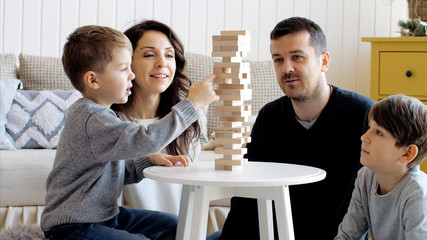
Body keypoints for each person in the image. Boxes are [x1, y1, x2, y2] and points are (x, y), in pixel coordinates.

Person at [40, 25, 219, 240]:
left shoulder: (101, 114)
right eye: (124, 69)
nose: (131, 76)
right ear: (93, 80)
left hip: (105, 217)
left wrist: (148, 161)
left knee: (175, 226)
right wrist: (192, 104)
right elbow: (145, 139)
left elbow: (110, 171)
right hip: (73, 226)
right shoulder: (91, 117)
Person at [219, 17, 375, 240]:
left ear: (324, 61)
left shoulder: (362, 115)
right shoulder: (268, 118)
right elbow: (247, 198)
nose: (287, 68)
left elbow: (377, 200)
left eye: (297, 57)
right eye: (278, 60)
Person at [111, 20, 203, 215]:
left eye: (169, 55)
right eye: (150, 55)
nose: (162, 63)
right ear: (127, 62)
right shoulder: (110, 121)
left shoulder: (189, 120)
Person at [335, 94, 427, 240]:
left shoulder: (418, 195)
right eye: (369, 127)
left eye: (379, 132)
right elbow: (348, 236)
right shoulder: (366, 177)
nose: (364, 137)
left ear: (407, 153)